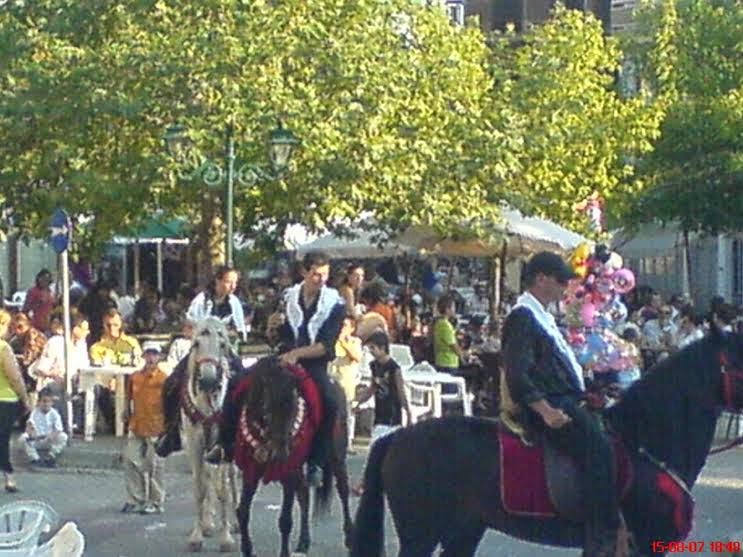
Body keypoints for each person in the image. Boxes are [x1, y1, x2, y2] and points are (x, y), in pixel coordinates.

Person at [501, 251, 622, 557]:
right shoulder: (522, 317)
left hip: (567, 397)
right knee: (599, 450)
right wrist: (545, 410)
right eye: (560, 280)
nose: (564, 286)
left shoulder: (542, 315)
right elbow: (518, 373)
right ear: (540, 279)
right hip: (549, 405)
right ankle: (600, 535)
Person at [250, 251, 345, 487]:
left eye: (324, 275)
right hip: (284, 359)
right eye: (315, 274)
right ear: (304, 272)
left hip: (314, 364)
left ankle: (317, 461)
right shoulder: (287, 297)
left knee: (331, 401)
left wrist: (297, 353)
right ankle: (230, 442)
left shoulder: (335, 304)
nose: (321, 280)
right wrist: (271, 330)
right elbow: (276, 337)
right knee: (244, 382)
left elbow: (326, 346)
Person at [122, 342, 168, 515]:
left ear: (159, 357)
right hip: (137, 424)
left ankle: (156, 502)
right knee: (130, 460)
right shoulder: (135, 377)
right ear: (143, 356)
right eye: (148, 354)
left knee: (155, 465)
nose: (151, 358)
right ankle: (135, 498)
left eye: (154, 354)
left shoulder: (164, 379)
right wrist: (126, 410)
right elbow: (128, 397)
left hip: (157, 426)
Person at [30, 313, 90, 427]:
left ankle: (86, 426)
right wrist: (54, 374)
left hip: (76, 381)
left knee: (94, 389)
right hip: (54, 380)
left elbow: (85, 367)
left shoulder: (82, 345)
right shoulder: (55, 342)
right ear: (74, 329)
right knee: (58, 388)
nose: (87, 332)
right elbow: (40, 368)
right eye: (84, 329)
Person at [90, 309, 142, 432]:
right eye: (108, 325)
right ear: (103, 325)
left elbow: (138, 363)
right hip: (106, 382)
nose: (112, 328)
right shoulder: (96, 347)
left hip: (129, 380)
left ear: (121, 325)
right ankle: (114, 426)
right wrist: (111, 379)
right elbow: (98, 369)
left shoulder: (131, 343)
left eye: (115, 325)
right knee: (100, 390)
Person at [0, 309, 32, 492]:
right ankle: (9, 476)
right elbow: (15, 377)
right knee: (2, 439)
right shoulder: (3, 348)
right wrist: (25, 398)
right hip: (5, 398)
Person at [186, 265, 247, 342]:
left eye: (235, 283)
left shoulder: (234, 302)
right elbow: (191, 327)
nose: (233, 286)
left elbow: (240, 328)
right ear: (218, 281)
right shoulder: (201, 301)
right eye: (228, 282)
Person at [329, 316, 363, 451]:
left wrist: (343, 341)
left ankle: (347, 443)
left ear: (351, 329)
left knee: (348, 414)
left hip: (347, 383)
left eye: (345, 326)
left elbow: (357, 357)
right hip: (332, 380)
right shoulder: (332, 341)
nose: (341, 328)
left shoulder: (355, 342)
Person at [20, 388, 67, 468]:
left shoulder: (54, 414)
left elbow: (58, 429)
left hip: (49, 440)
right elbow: (29, 425)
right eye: (44, 401)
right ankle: (35, 459)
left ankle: (51, 456)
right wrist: (31, 433)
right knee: (23, 438)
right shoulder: (35, 412)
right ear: (39, 402)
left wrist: (51, 436)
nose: (46, 404)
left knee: (63, 436)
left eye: (49, 402)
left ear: (52, 403)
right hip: (37, 440)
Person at [9, 312, 47, 395]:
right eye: (14, 328)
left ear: (27, 325)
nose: (17, 331)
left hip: (34, 377)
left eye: (20, 327)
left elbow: (28, 360)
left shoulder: (34, 337)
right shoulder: (14, 340)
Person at [432, 295, 463, 374]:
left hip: (444, 361)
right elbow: (453, 345)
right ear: (447, 309)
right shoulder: (444, 325)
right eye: (453, 307)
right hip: (447, 362)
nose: (454, 310)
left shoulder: (441, 323)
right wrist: (462, 355)